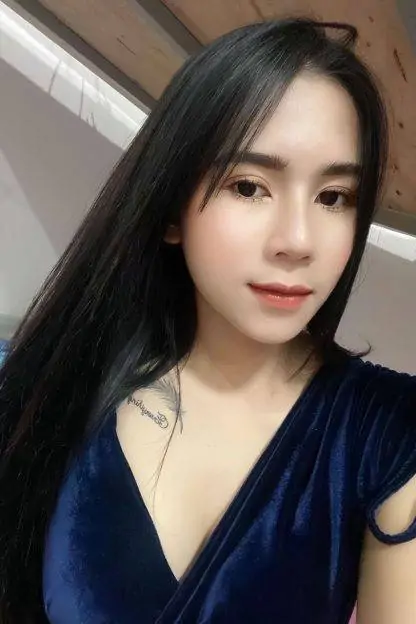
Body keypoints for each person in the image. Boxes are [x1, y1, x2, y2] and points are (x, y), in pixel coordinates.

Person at [0, 16, 415, 624]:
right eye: (249, 187)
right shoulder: (64, 383)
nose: (298, 241)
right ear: (171, 208)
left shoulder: (389, 435)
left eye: (333, 197)